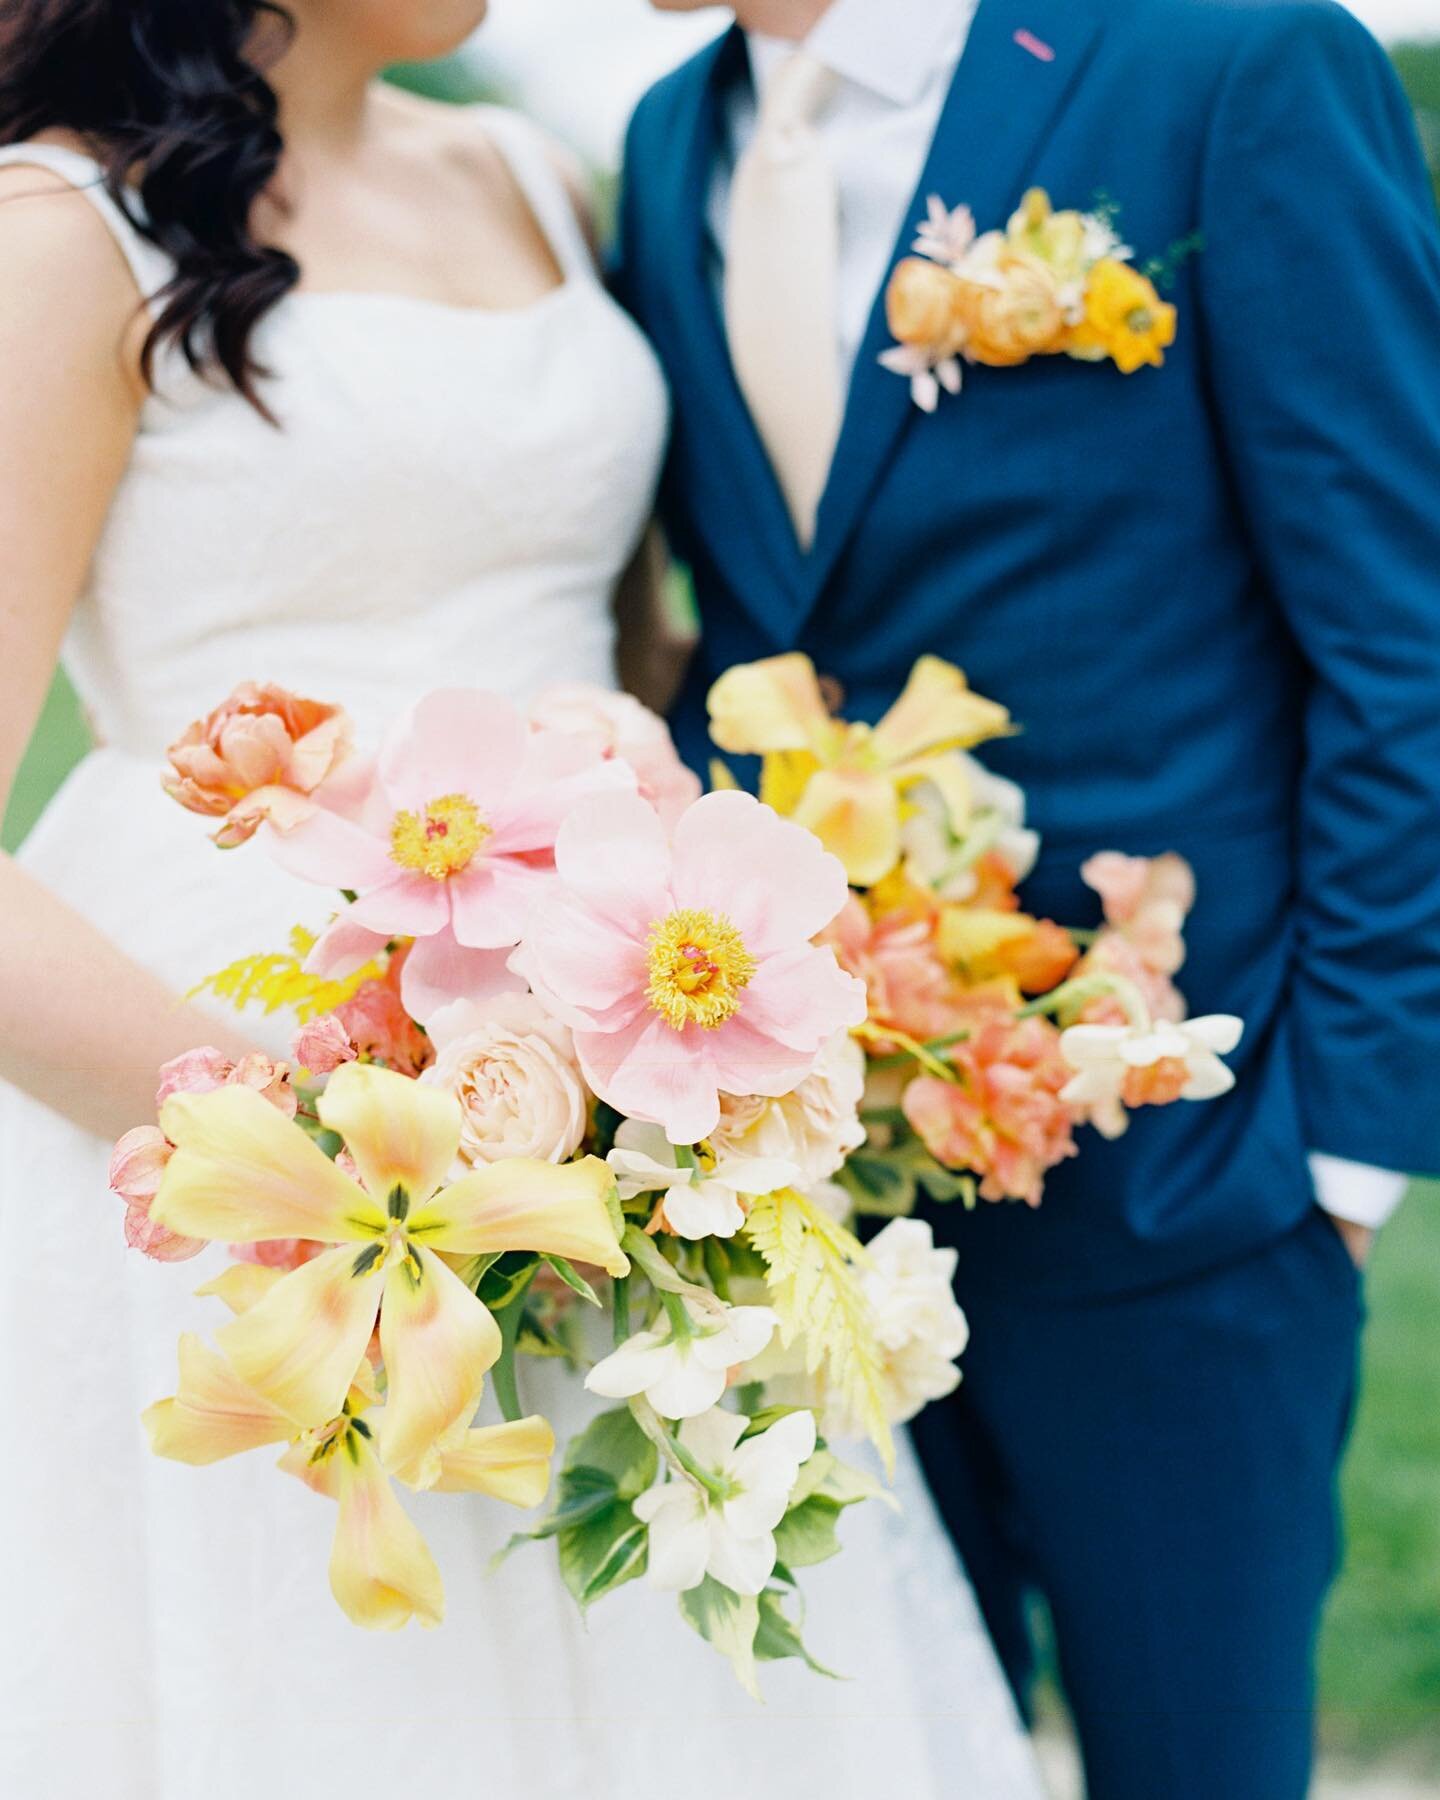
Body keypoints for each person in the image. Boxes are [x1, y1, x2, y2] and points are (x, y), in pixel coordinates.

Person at [0, 4, 1046, 1796]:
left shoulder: (537, 176)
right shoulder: (53, 236)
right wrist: (326, 1171)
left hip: (632, 1079)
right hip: (240, 1064)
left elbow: (624, 634)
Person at [620, 0, 1440, 1795]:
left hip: (1189, 1185)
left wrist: (1340, 1162)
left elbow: (1410, 631)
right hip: (801, 1199)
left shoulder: (1230, 64)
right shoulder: (672, 135)